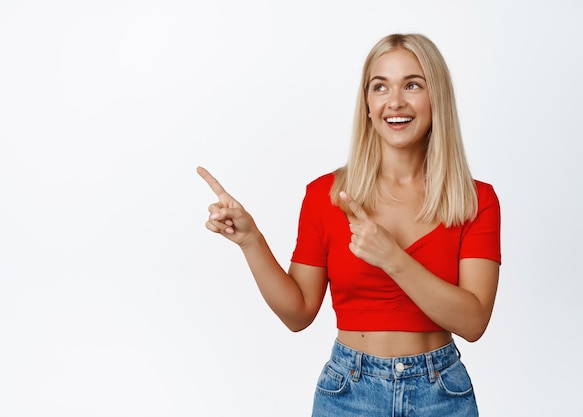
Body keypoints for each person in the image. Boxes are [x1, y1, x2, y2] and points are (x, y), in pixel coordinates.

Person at [197, 33, 500, 417]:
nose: (395, 101)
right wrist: (251, 241)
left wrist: (392, 257)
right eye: (380, 87)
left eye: (412, 84)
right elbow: (298, 313)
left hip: (440, 393)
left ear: (435, 97)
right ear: (368, 106)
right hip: (349, 392)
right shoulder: (327, 195)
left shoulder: (475, 200)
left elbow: (473, 322)